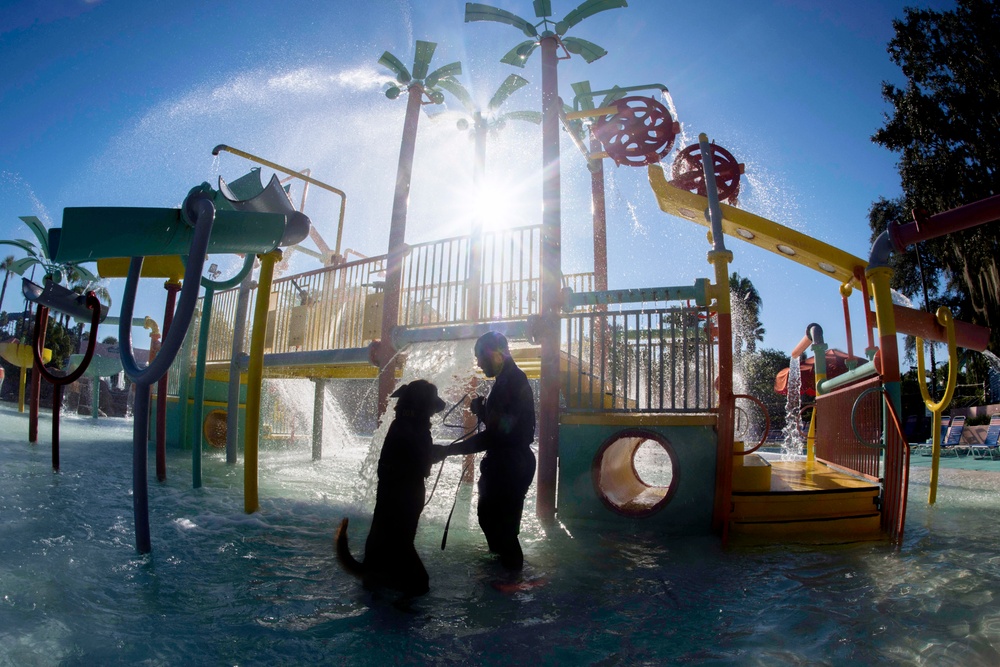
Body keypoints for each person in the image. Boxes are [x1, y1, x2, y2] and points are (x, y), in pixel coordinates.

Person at [434, 331, 536, 570]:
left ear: (497, 355)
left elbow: (497, 435)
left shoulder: (509, 382)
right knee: (493, 521)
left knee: (502, 529)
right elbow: (504, 425)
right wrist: (483, 410)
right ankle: (505, 573)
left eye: (480, 357)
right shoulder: (507, 380)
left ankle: (510, 580)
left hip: (509, 464)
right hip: (511, 462)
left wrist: (448, 451)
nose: (478, 364)